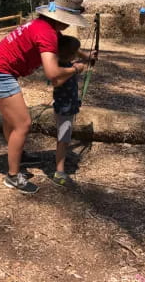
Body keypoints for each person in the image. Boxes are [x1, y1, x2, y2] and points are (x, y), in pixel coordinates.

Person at [0, 0, 94, 194]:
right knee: (23, 124)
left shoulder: (44, 26)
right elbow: (52, 73)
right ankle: (13, 177)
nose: (70, 24)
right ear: (64, 18)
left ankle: (18, 155)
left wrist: (85, 56)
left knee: (12, 121)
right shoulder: (47, 33)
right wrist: (76, 68)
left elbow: (66, 45)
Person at [51, 35, 94, 186]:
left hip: (67, 108)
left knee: (65, 138)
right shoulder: (60, 69)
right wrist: (75, 69)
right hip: (64, 110)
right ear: (68, 55)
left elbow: (73, 66)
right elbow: (57, 81)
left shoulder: (65, 64)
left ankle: (60, 165)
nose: (76, 55)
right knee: (63, 140)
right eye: (74, 53)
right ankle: (59, 171)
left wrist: (87, 59)